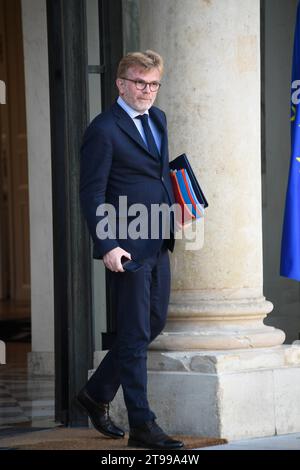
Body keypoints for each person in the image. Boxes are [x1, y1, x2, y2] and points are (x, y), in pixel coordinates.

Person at [78, 50, 183, 450]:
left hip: (158, 238)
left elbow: (158, 174)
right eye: (140, 82)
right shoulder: (103, 129)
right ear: (121, 83)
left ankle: (95, 392)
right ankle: (142, 424)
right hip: (126, 245)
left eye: (154, 83)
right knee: (136, 332)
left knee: (153, 323)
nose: (147, 90)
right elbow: (92, 192)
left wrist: (180, 205)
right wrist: (107, 244)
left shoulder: (158, 119)